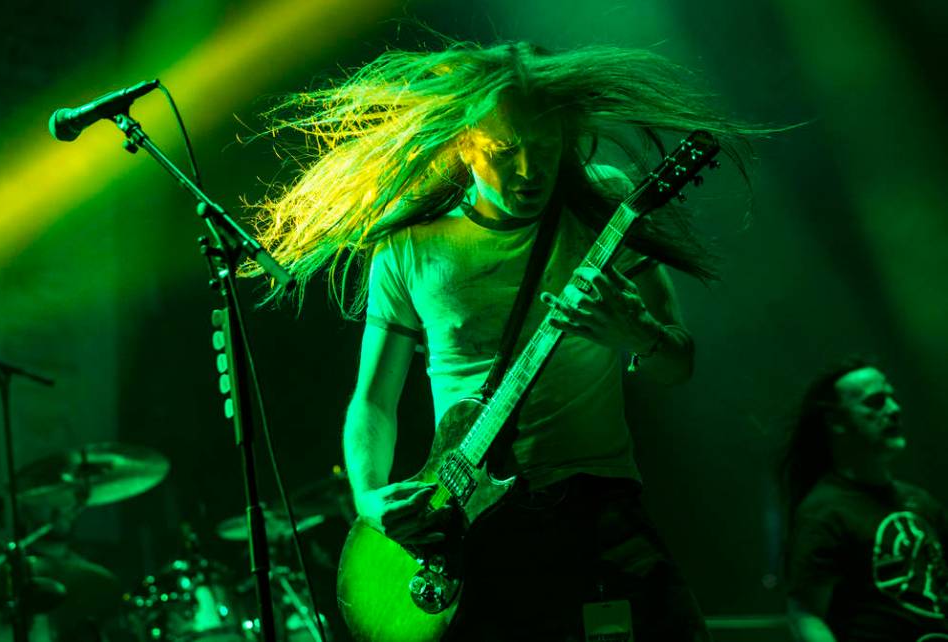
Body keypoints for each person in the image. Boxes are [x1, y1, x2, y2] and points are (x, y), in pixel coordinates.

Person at [251, 39, 756, 641]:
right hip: (468, 528)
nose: (529, 171)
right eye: (505, 150)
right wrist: (369, 499)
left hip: (597, 506)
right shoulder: (412, 245)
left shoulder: (602, 201)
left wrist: (636, 333)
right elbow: (373, 402)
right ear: (463, 143)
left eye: (545, 147)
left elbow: (680, 363)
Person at [781, 358, 948, 642]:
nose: (894, 409)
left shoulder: (921, 501)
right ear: (836, 421)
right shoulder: (824, 511)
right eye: (876, 401)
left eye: (892, 398)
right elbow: (807, 614)